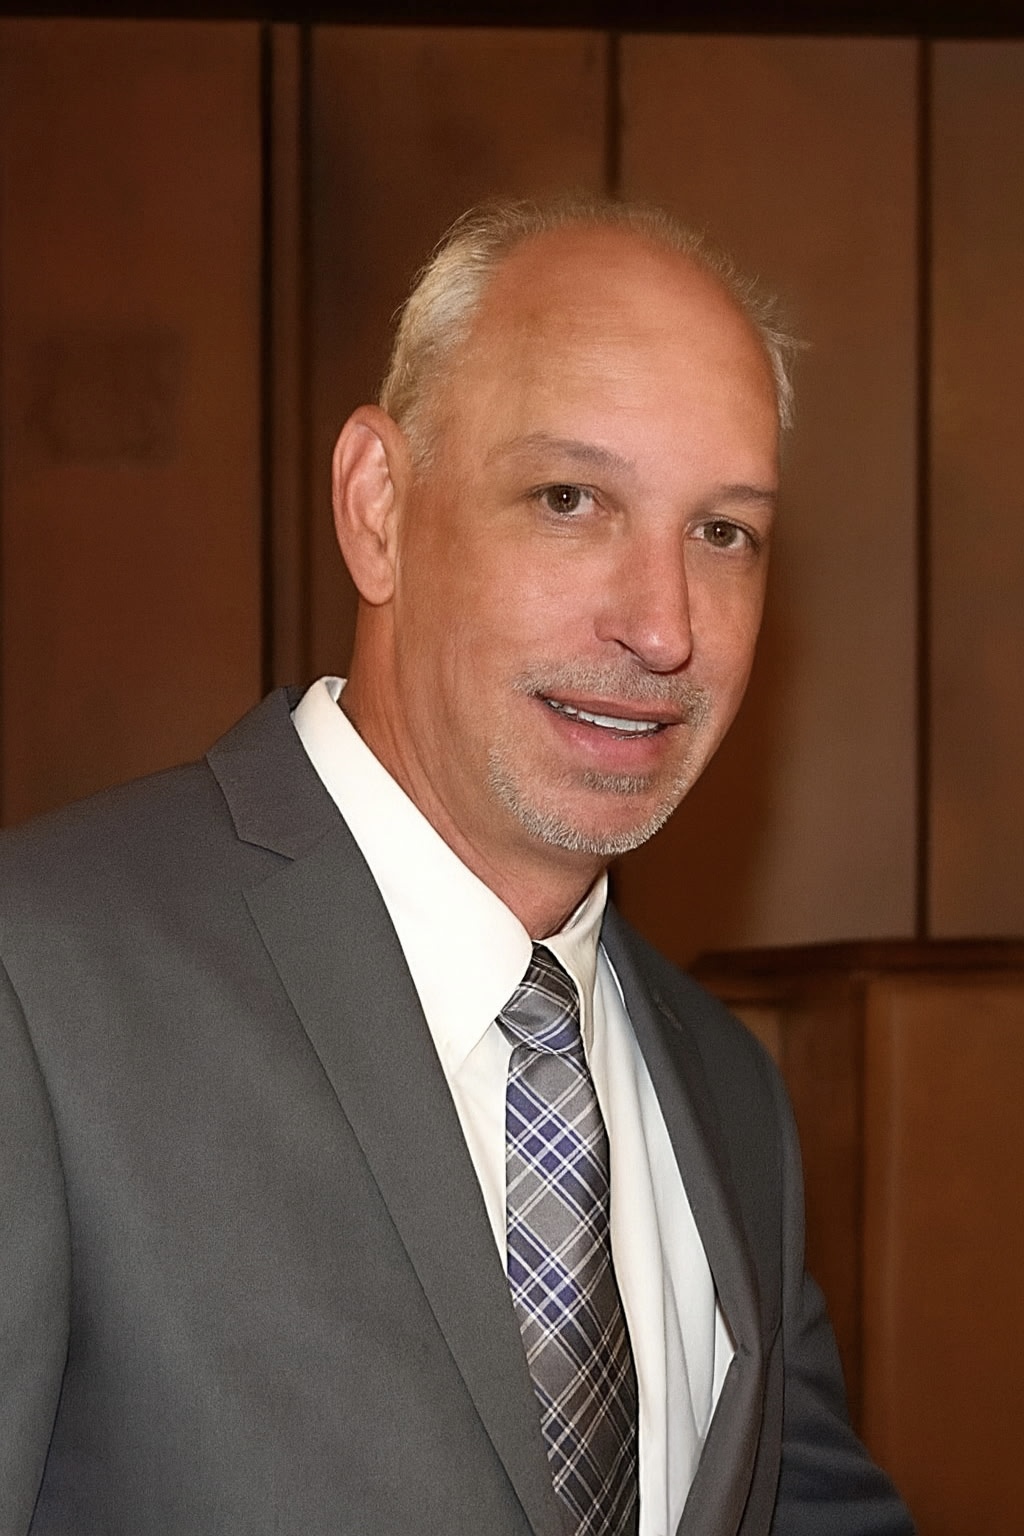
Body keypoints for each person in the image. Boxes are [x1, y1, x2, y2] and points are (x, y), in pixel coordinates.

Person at [0, 197, 914, 1536]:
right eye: (569, 500)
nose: (664, 626)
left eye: (722, 531)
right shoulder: (39, 985)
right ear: (378, 509)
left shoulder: (726, 1091)